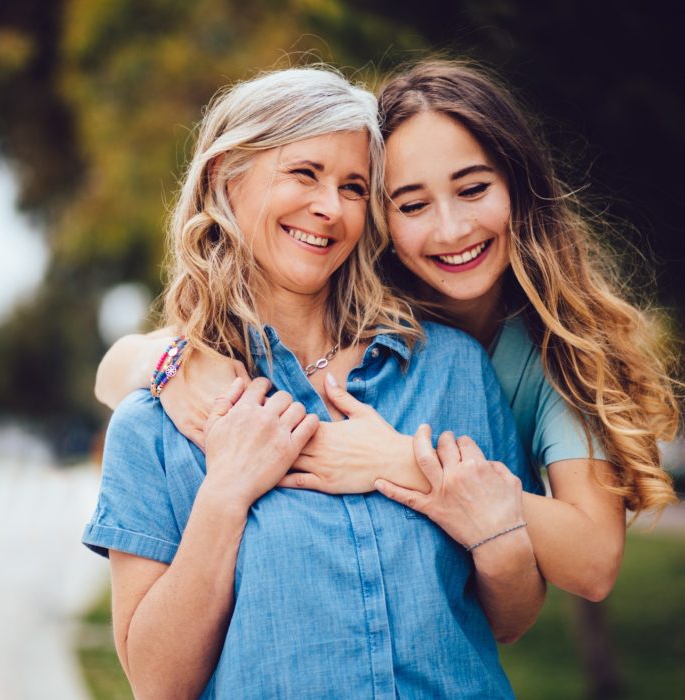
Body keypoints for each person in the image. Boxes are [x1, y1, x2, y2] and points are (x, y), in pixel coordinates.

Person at [97, 60, 680, 604]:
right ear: (379, 213)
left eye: (474, 189)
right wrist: (171, 365)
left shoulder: (556, 342)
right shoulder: (360, 306)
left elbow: (594, 559)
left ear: (519, 188)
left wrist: (399, 460)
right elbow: (118, 367)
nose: (451, 229)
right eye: (411, 204)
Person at [83, 66, 545, 700]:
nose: (329, 208)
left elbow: (513, 619)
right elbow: (156, 685)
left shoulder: (450, 370)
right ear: (227, 177)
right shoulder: (158, 422)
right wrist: (225, 494)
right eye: (305, 173)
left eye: (354, 187)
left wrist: (490, 526)